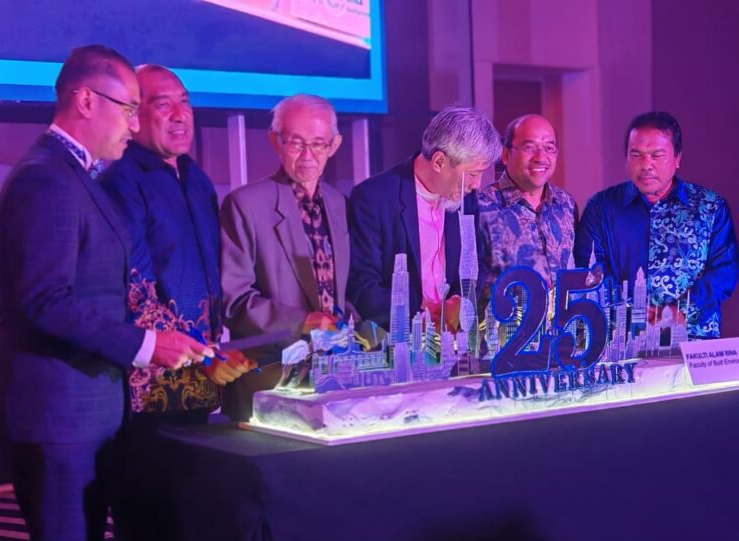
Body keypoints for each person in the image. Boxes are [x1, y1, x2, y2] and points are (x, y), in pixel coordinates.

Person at [0, 45, 211, 541]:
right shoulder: (47, 180)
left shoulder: (76, 175)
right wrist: (145, 344)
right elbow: (45, 300)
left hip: (87, 412)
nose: (135, 125)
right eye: (129, 109)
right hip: (56, 416)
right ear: (86, 100)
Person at [100, 64, 254, 541]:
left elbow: (209, 283)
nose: (179, 113)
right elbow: (133, 289)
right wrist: (191, 353)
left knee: (198, 531)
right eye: (162, 104)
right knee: (147, 539)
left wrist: (215, 347)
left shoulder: (196, 177)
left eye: (184, 101)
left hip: (200, 385)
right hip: (146, 391)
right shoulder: (119, 180)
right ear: (133, 115)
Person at [221, 93, 350, 419]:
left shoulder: (339, 203)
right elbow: (233, 301)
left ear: (334, 146)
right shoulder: (244, 204)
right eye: (296, 143)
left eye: (318, 144)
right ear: (275, 142)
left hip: (334, 380)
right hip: (268, 378)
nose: (308, 155)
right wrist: (302, 321)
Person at [575, 111, 739, 338]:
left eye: (657, 155)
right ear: (626, 158)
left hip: (693, 342)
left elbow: (725, 271)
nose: (646, 165)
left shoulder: (710, 206)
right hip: (620, 341)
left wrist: (680, 311)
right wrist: (634, 313)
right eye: (637, 155)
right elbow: (589, 268)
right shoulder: (601, 207)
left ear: (677, 158)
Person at [346, 105, 501, 331]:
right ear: (439, 162)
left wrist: (460, 301)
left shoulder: (466, 198)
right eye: (473, 174)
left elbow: (476, 263)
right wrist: (422, 321)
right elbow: (363, 285)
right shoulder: (373, 198)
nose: (477, 185)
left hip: (453, 338)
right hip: (397, 338)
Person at [477, 114, 577, 298]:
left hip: (561, 326)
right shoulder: (481, 207)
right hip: (502, 325)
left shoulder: (566, 204)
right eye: (529, 148)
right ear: (506, 155)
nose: (541, 158)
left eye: (549, 148)